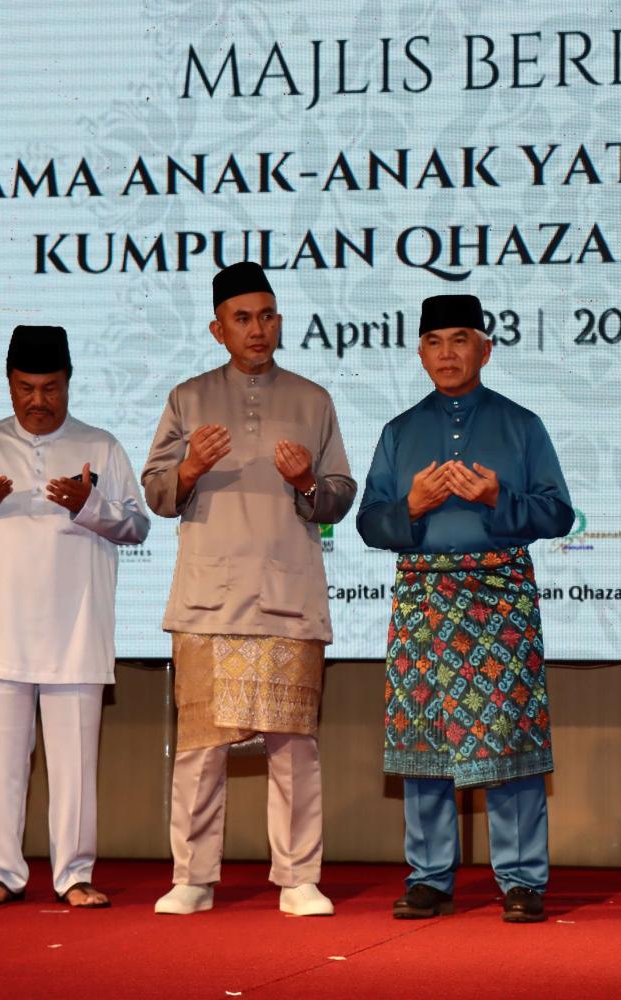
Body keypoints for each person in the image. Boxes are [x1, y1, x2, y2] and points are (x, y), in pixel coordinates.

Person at [142, 262, 356, 917]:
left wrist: (307, 482)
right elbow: (156, 493)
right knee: (202, 746)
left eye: (266, 316)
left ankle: (298, 878)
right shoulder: (188, 398)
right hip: (209, 600)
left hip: (287, 597)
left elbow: (340, 494)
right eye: (242, 319)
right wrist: (190, 468)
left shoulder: (313, 400)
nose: (256, 329)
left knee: (293, 745)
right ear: (218, 329)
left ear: (279, 322)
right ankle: (193, 878)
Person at [357, 293, 573, 924]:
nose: (447, 354)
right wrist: (412, 506)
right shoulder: (399, 431)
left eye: (460, 340)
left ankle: (522, 879)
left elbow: (559, 513)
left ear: (485, 350)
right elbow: (370, 522)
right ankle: (429, 877)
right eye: (435, 342)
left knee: (509, 741)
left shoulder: (521, 425)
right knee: (424, 738)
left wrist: (499, 498)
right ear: (420, 353)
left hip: (500, 596)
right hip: (423, 598)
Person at [0, 325, 150, 908]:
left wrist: (89, 505)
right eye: (26, 388)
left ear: (69, 383)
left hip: (76, 630)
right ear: (9, 384)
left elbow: (137, 525)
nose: (38, 400)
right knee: (1, 766)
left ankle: (74, 874)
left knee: (75, 767)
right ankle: (2, 871)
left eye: (51, 388)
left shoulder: (101, 445)